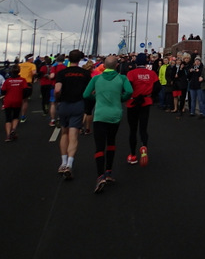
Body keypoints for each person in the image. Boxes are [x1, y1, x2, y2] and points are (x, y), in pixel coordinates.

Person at [83, 55, 133, 193]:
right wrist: (121, 98)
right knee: (111, 142)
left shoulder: (96, 78)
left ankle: (100, 176)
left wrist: (97, 97)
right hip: (115, 114)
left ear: (103, 65)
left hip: (100, 114)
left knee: (99, 146)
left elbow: (86, 94)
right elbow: (129, 91)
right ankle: (109, 172)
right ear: (117, 65)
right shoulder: (122, 78)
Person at [55, 49, 91, 179]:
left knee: (64, 133)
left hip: (64, 104)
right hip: (78, 104)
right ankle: (70, 164)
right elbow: (89, 91)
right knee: (73, 134)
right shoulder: (85, 73)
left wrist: (58, 98)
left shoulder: (62, 73)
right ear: (80, 59)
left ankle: (63, 162)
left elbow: (57, 89)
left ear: (68, 59)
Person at [125, 52, 160, 167]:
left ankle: (133, 155)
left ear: (136, 62)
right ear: (146, 62)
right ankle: (144, 145)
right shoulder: (152, 73)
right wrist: (151, 96)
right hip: (146, 101)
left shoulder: (131, 73)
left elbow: (128, 88)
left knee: (132, 129)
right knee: (143, 128)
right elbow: (157, 87)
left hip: (133, 102)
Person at [1, 64, 28, 141]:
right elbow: (25, 90)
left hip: (8, 101)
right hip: (17, 100)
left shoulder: (7, 81)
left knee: (8, 119)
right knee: (15, 116)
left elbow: (3, 91)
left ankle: (8, 135)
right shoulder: (22, 80)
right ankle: (13, 129)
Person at [18, 56, 37, 123]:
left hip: (18, 82)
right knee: (25, 100)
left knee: (18, 99)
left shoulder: (20, 65)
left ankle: (15, 115)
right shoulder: (32, 65)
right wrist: (35, 78)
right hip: (27, 83)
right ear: (30, 59)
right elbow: (34, 73)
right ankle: (23, 116)